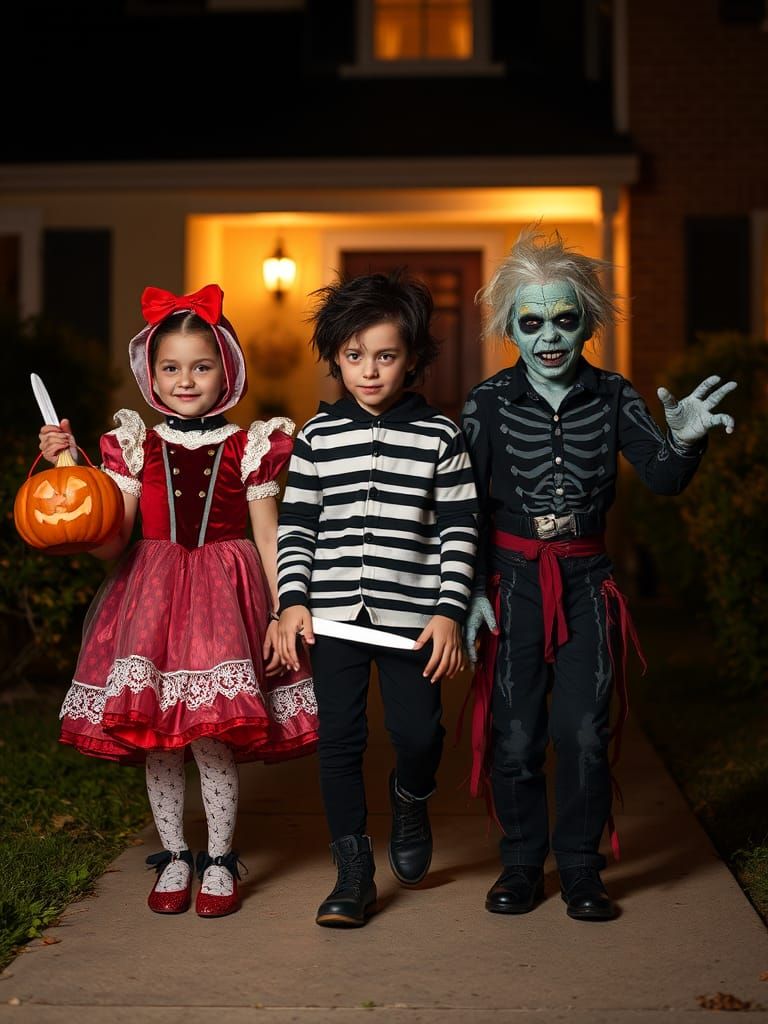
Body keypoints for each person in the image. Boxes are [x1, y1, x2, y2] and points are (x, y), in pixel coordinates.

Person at [460, 229, 737, 922]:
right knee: (516, 732)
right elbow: (460, 507)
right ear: (510, 330)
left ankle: (582, 868)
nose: (549, 336)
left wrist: (688, 439)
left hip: (587, 584)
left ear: (587, 320)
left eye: (564, 318)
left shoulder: (613, 394)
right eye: (531, 322)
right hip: (512, 583)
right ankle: (522, 864)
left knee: (582, 731)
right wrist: (463, 591)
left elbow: (666, 478)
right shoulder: (487, 402)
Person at [39, 284, 318, 919]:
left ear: (227, 370)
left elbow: (269, 536)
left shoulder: (251, 446)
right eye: (171, 367)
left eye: (201, 365)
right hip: (152, 597)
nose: (185, 379)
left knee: (212, 737)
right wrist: (68, 475)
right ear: (150, 373)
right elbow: (112, 543)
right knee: (160, 739)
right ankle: (173, 854)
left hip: (225, 595)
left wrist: (283, 608)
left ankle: (219, 859)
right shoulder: (134, 445)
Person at [275, 270, 479, 927]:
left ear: (413, 358)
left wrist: (449, 611)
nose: (370, 370)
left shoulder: (441, 438)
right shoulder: (316, 438)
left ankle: (412, 794)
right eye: (355, 356)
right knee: (338, 738)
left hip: (412, 620)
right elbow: (297, 527)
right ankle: (353, 870)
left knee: (417, 731)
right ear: (335, 356)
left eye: (386, 356)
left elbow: (458, 529)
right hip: (331, 616)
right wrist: (292, 600)